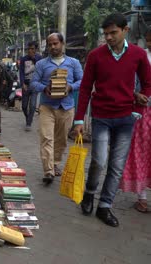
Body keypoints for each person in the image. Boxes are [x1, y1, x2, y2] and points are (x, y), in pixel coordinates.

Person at [73, 13, 151, 227]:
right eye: (105, 33)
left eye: (113, 33)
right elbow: (86, 88)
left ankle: (105, 206)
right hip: (101, 116)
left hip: (126, 118)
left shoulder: (138, 54)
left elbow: (147, 83)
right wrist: (79, 119)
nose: (108, 37)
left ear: (125, 30)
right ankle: (89, 193)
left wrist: (137, 109)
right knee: (99, 160)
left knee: (116, 166)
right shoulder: (96, 56)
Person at [30, 33, 83, 185]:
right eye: (50, 44)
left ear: (62, 44)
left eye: (55, 44)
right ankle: (48, 171)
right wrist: (44, 88)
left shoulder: (73, 63)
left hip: (66, 107)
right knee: (46, 138)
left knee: (61, 140)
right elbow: (34, 83)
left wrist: (70, 87)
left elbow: (82, 80)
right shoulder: (41, 64)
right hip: (47, 106)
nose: (53, 47)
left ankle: (55, 163)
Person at [120, 32, 151, 213]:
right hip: (143, 112)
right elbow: (128, 81)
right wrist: (134, 96)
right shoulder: (140, 56)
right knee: (141, 153)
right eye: (148, 39)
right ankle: (142, 197)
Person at [20, 41, 43, 131]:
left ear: (35, 50)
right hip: (26, 84)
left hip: (35, 85)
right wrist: (22, 83)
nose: (30, 51)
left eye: (32, 49)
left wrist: (34, 59)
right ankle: (28, 118)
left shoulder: (39, 58)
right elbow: (21, 72)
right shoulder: (23, 59)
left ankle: (29, 123)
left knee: (33, 105)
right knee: (24, 106)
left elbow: (41, 71)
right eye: (28, 49)